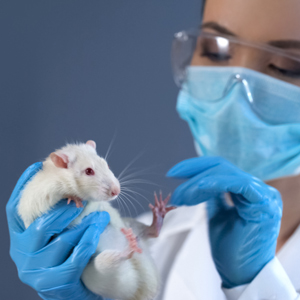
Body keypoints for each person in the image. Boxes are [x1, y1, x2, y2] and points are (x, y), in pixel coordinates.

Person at [6, 0, 300, 299]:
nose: (234, 94)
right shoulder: (153, 238)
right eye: (216, 51)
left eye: (289, 67)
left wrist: (255, 285)